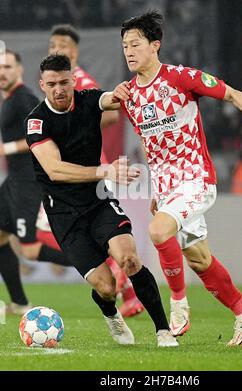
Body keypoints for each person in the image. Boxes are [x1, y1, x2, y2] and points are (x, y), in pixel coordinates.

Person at [111, 11, 242, 345]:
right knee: (199, 260)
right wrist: (157, 187)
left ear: (155, 46)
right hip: (168, 187)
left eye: (135, 44)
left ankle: (179, 304)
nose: (129, 51)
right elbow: (149, 141)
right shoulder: (129, 97)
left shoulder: (180, 78)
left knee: (157, 231)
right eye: (125, 45)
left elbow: (233, 94)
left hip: (196, 179)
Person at [25, 53, 178, 347]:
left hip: (98, 200)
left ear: (73, 81)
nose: (59, 89)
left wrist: (125, 91)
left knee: (130, 258)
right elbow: (55, 170)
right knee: (107, 286)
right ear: (42, 84)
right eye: (52, 83)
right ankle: (111, 314)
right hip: (64, 214)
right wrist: (104, 170)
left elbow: (110, 99)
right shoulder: (36, 121)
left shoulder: (88, 100)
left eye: (65, 82)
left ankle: (163, 330)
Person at [36, 23, 144, 317]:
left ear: (75, 51)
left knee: (59, 235)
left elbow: (109, 113)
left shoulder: (78, 80)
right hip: (74, 172)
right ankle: (127, 291)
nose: (56, 50)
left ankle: (126, 290)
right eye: (52, 46)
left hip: (87, 170)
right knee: (49, 237)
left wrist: (77, 131)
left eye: (62, 46)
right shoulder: (59, 80)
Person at [0, 49, 72, 315]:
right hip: (14, 181)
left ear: (19, 69)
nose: (2, 72)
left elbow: (41, 132)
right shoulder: (9, 100)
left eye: (8, 66)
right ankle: (19, 303)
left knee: (29, 251)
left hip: (28, 182)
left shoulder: (24, 98)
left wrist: (5, 149)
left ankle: (97, 261)